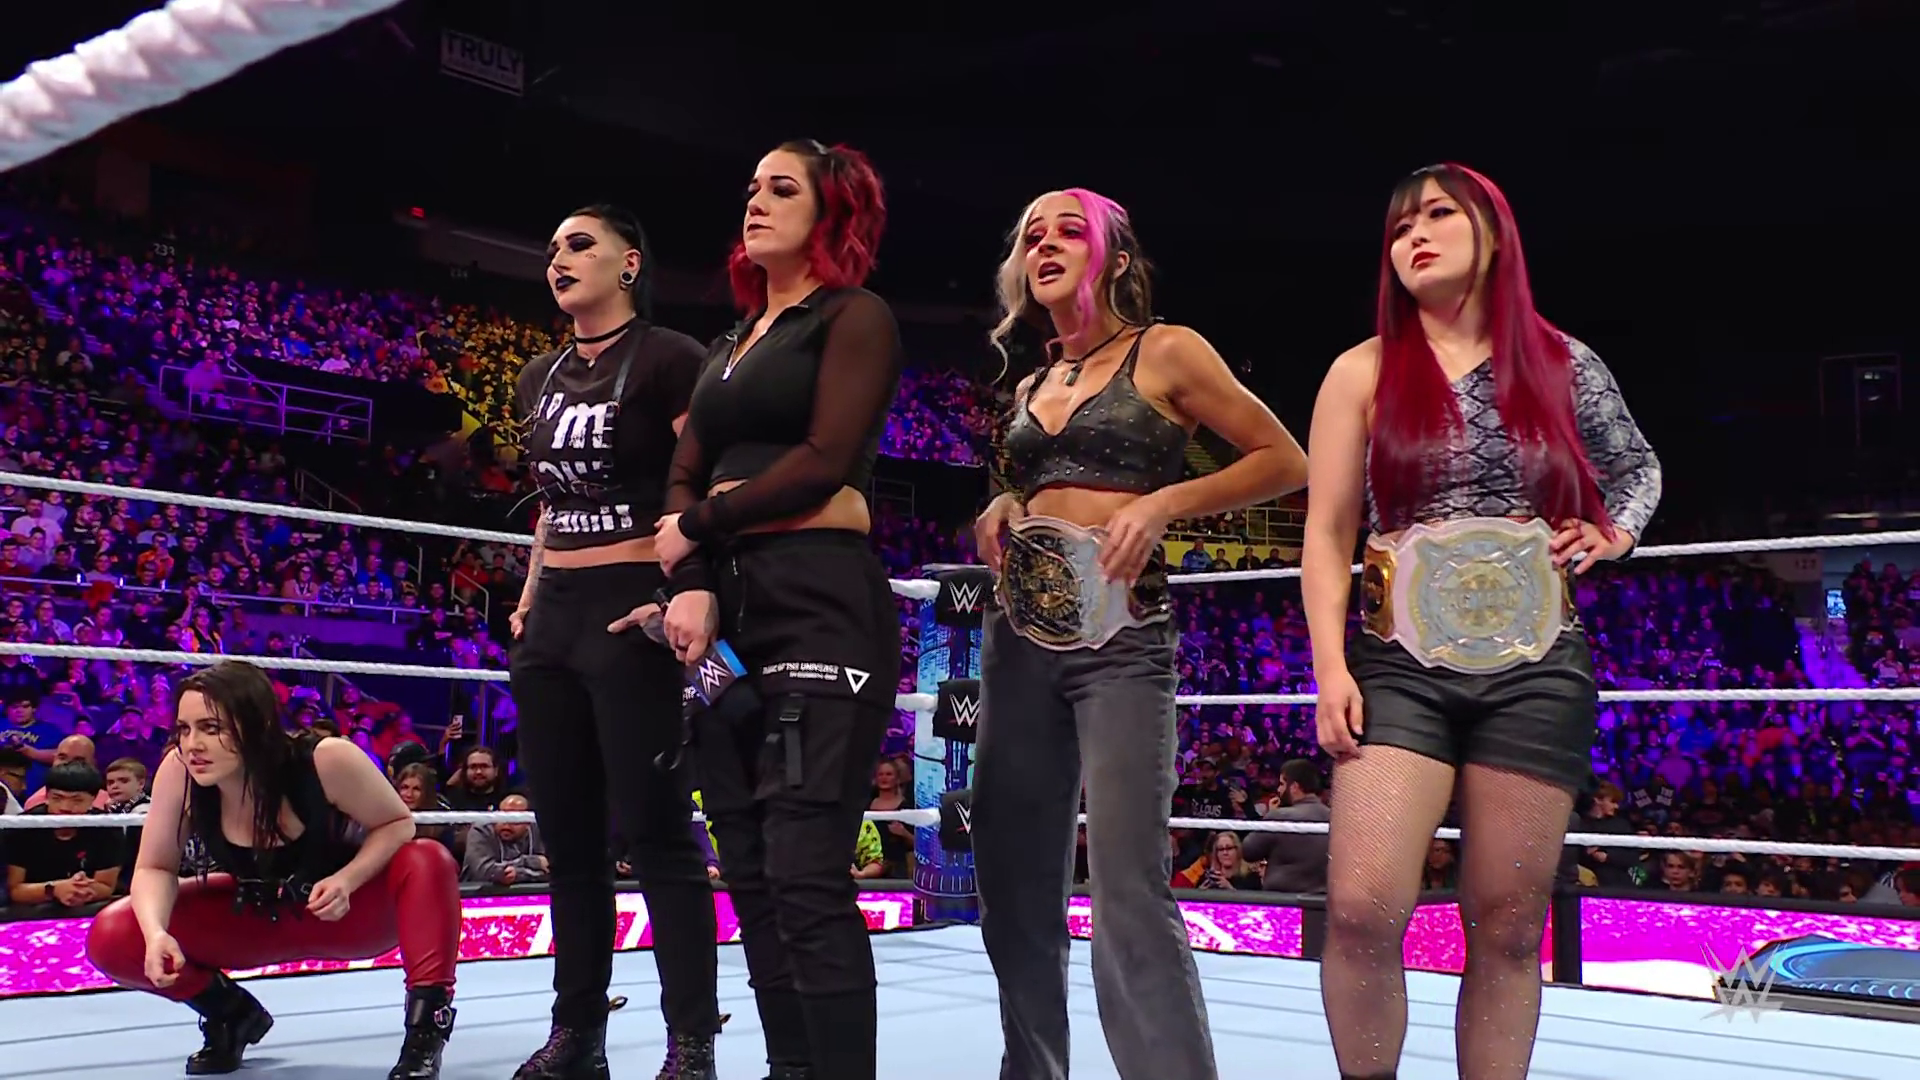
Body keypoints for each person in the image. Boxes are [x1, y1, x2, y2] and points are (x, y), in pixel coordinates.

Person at [1301, 163, 1661, 1080]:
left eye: (1436, 216)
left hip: (1536, 664)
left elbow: (1638, 467)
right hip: (1397, 663)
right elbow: (1329, 534)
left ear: (1493, 235)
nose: (1413, 236)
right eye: (1399, 227)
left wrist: (1614, 533)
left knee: (1507, 922)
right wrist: (1330, 668)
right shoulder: (1362, 369)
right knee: (1361, 907)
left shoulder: (1562, 361)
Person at [968, 187, 1307, 1080]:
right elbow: (1034, 485)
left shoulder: (1166, 350)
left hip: (1121, 639)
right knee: (1013, 880)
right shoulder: (1032, 380)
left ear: (1115, 257)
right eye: (1032, 235)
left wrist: (1164, 504)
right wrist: (1003, 504)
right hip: (1019, 636)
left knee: (1126, 886)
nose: (1045, 245)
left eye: (1068, 231)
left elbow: (1285, 460)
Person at [652, 137, 898, 1080]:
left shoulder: (853, 316)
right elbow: (682, 472)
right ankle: (789, 1067)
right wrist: (693, 576)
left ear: (831, 212)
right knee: (750, 873)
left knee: (803, 873)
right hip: (724, 616)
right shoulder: (727, 345)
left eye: (781, 188)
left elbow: (825, 462)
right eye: (752, 186)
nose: (755, 201)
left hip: (818, 606)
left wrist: (700, 525)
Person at [507, 203, 722, 1079]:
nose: (559, 258)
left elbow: (701, 482)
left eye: (580, 244)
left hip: (635, 607)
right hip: (554, 616)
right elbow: (551, 505)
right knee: (568, 841)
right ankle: (578, 1036)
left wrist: (682, 591)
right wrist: (529, 600)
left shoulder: (672, 358)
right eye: (552, 247)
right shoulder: (537, 376)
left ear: (629, 263)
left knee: (658, 831)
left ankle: (691, 1042)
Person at [83, 660, 462, 1079]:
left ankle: (425, 1035)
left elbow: (397, 824)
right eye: (184, 729)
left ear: (256, 725)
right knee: (114, 934)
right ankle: (230, 1013)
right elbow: (155, 867)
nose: (193, 745)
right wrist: (156, 934)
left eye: (210, 728)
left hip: (345, 913)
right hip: (255, 917)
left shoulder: (326, 758)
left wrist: (348, 878)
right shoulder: (179, 772)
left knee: (427, 859)